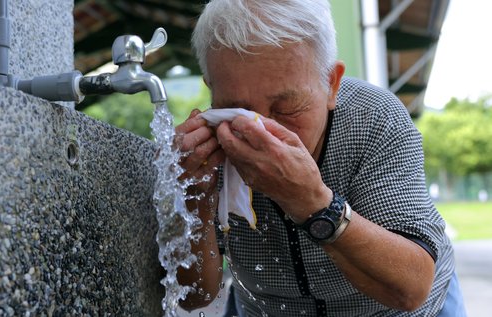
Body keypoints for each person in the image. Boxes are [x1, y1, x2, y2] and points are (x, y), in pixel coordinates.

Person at [175, 0, 466, 316]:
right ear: (212, 90)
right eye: (237, 109)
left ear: (331, 83)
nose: (261, 131)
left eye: (286, 108)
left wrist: (312, 203)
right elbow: (195, 296)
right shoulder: (205, 148)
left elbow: (411, 288)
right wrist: (195, 202)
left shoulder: (373, 119)